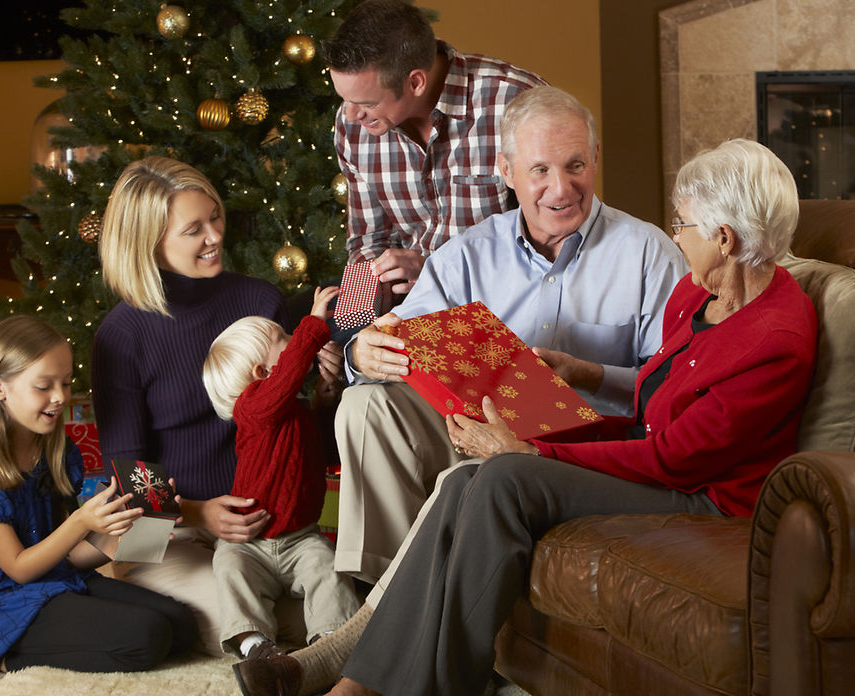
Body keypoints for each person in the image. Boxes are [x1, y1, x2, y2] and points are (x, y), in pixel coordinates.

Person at [316, 137, 820, 696]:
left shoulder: (776, 338)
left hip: (707, 496)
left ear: (723, 239)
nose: (676, 236)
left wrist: (532, 452)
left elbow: (676, 458)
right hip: (662, 461)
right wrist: (571, 388)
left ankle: (437, 684)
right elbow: (648, 409)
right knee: (465, 478)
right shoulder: (696, 295)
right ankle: (359, 684)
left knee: (507, 477)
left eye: (683, 224)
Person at [332, 86, 687, 586]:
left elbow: (676, 392)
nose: (561, 189)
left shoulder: (651, 255)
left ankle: (378, 627)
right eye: (540, 170)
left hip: (580, 456)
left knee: (476, 478)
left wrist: (590, 374)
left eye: (576, 165)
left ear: (597, 158)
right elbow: (401, 343)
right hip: (468, 432)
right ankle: (375, 591)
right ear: (506, 171)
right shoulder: (466, 255)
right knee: (364, 406)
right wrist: (363, 352)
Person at [90, 156, 344, 654]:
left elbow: (302, 438)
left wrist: (326, 395)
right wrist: (199, 512)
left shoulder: (258, 301)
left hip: (268, 529)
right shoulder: (121, 336)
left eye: (215, 217)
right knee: (261, 625)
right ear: (150, 243)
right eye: (193, 229)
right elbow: (131, 475)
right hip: (168, 530)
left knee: (332, 610)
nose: (214, 236)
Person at [0, 315, 197, 673]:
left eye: (65, 382)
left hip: (57, 582)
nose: (60, 397)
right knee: (148, 636)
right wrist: (81, 521)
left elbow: (67, 557)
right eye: (44, 386)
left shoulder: (58, 450)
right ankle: (5, 655)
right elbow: (19, 569)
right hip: (4, 606)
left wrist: (132, 528)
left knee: (181, 624)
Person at [322, 0, 547, 296]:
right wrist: (359, 317)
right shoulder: (352, 125)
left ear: (415, 83)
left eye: (366, 103)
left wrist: (436, 271)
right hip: (409, 310)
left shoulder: (516, 105)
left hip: (508, 305)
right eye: (344, 99)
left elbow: (554, 244)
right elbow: (367, 242)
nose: (350, 115)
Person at [201, 286, 360, 688]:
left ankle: (330, 641)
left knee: (327, 565)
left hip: (300, 539)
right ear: (262, 375)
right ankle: (255, 644)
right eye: (283, 341)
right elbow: (286, 378)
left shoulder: (296, 412)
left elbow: (324, 452)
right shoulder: (252, 409)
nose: (294, 344)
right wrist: (313, 325)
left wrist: (326, 403)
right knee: (228, 565)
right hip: (249, 543)